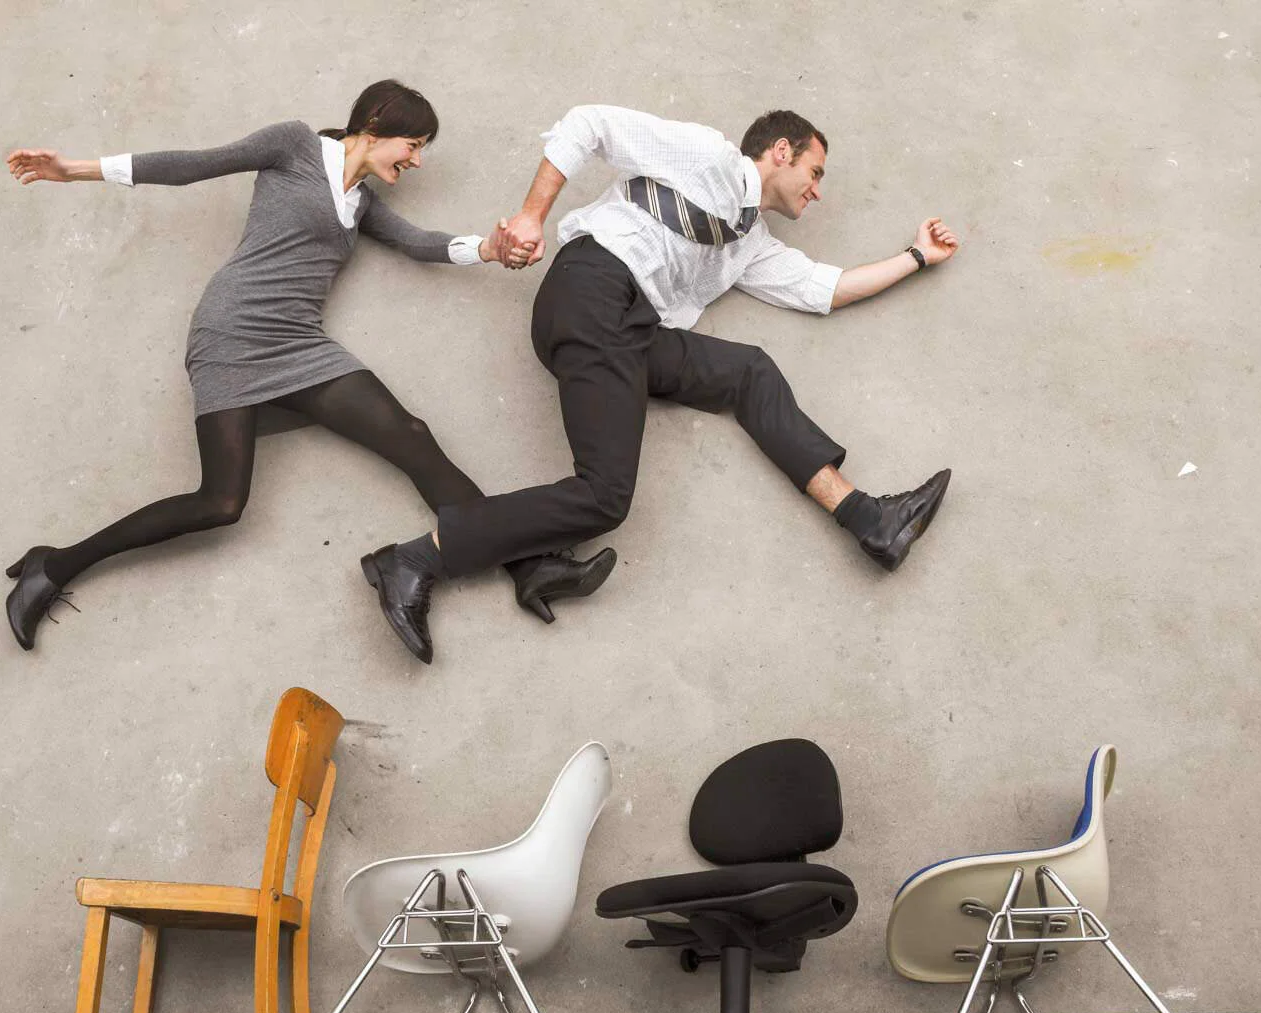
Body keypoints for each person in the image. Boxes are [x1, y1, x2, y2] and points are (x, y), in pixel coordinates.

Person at [2, 80, 615, 652]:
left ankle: (529, 566)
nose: (418, 160)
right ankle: (52, 565)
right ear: (374, 125)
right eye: (413, 145)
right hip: (232, 332)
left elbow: (415, 241)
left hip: (299, 343)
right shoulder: (293, 145)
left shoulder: (362, 202)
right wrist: (74, 169)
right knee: (220, 503)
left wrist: (489, 248)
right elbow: (193, 165)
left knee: (410, 435)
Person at [359, 104, 960, 664]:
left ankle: (866, 518)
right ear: (782, 151)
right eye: (815, 171)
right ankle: (415, 559)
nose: (818, 190)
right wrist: (531, 217)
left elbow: (823, 289)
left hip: (633, 331)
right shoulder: (705, 155)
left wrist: (916, 257)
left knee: (748, 371)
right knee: (605, 497)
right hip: (593, 288)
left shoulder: (750, 244)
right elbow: (588, 124)